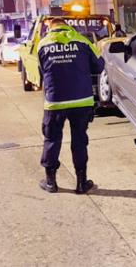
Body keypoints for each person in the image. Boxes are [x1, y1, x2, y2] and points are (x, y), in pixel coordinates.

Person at [37, 17, 105, 195]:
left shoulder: (43, 44)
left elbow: (42, 72)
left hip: (55, 102)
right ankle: (81, 183)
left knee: (52, 140)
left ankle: (51, 183)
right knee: (79, 141)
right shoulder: (82, 41)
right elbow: (98, 67)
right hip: (82, 101)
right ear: (67, 26)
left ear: (51, 27)